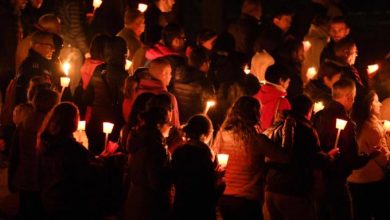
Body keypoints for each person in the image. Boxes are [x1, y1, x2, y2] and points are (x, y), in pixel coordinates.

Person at [212, 96, 289, 220]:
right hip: (247, 201)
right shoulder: (257, 140)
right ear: (254, 113)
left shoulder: (222, 135)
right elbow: (285, 158)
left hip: (224, 197)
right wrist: (284, 127)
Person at [263, 95, 339, 220]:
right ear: (309, 111)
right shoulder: (305, 129)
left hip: (272, 187)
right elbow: (313, 157)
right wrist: (330, 157)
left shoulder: (276, 125)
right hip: (293, 190)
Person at [313, 79, 378, 220]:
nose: (353, 102)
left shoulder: (318, 116)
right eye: (353, 98)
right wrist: (370, 154)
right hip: (336, 183)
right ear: (348, 97)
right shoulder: (346, 123)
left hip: (317, 182)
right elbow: (352, 160)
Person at [38, 102, 109, 219]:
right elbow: (86, 174)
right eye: (77, 116)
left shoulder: (47, 141)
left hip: (50, 198)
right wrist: (104, 161)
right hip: (68, 203)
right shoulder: (69, 147)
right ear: (70, 120)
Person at [8, 88, 59, 219]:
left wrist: (12, 176)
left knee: (25, 210)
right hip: (41, 181)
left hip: (24, 177)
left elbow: (15, 153)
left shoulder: (25, 122)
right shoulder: (50, 126)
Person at [123, 107, 172, 220]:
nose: (171, 126)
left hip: (134, 200)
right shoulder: (155, 147)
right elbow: (157, 181)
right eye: (169, 122)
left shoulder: (139, 139)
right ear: (159, 125)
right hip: (150, 206)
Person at [347, 91, 390, 220]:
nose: (380, 105)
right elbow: (384, 159)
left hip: (353, 179)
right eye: (377, 101)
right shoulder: (372, 128)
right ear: (370, 106)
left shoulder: (354, 123)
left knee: (360, 214)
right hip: (371, 181)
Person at [172, 114, 223, 220]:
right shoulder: (206, 155)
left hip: (180, 208)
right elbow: (208, 192)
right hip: (201, 211)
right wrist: (219, 181)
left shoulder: (178, 152)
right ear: (207, 133)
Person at [170, 47, 215, 124]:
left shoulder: (177, 75)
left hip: (177, 118)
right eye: (209, 62)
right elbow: (211, 101)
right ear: (204, 63)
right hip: (194, 121)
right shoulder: (204, 82)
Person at [15, 31, 56, 105]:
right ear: (37, 46)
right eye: (49, 46)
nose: (53, 49)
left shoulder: (43, 64)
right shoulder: (31, 66)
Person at [254, 64, 291, 130]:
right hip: (268, 139)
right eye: (288, 82)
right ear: (281, 81)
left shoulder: (255, 96)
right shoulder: (283, 103)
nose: (288, 85)